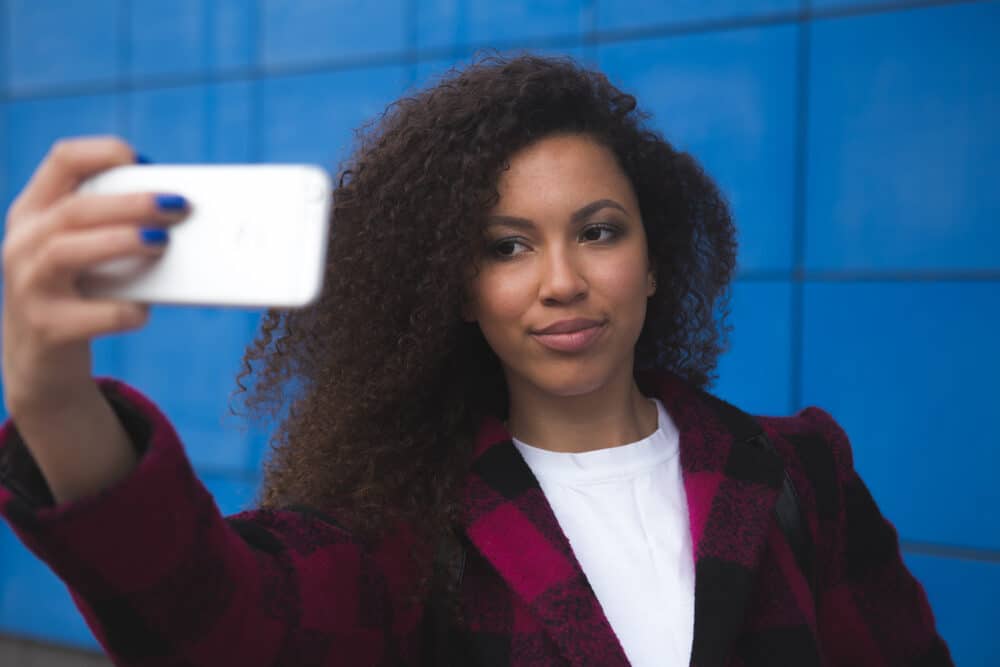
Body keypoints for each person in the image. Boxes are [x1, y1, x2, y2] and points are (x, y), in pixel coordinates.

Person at [0, 55, 951, 666]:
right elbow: (211, 617)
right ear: (459, 292)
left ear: (654, 259)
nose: (562, 280)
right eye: (506, 247)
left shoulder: (800, 473)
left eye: (600, 231)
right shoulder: (408, 528)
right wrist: (50, 395)